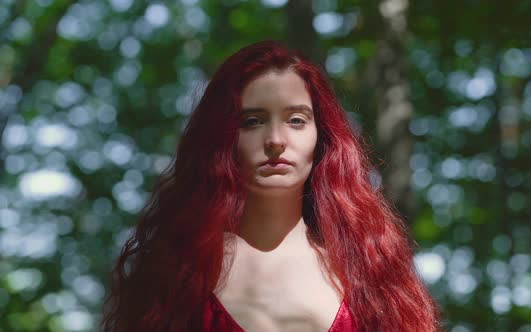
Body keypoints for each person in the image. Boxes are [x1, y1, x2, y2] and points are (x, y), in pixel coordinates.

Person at [100, 40, 440, 332]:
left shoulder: (368, 269)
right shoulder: (178, 272)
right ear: (222, 140)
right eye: (252, 121)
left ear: (321, 137)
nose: (276, 140)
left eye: (296, 120)